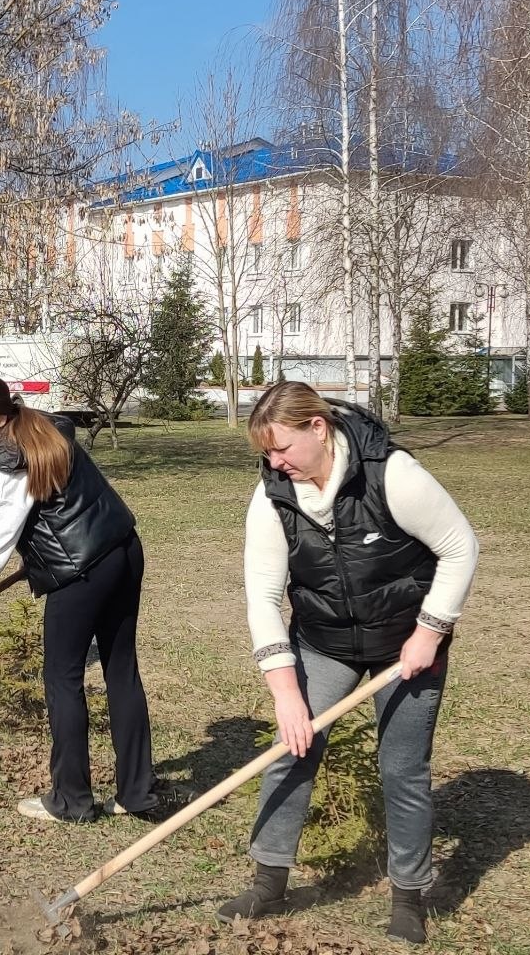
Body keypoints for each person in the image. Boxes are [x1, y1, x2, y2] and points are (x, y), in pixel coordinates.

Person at [219, 382, 479, 946]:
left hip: (406, 641)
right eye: (265, 453)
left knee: (401, 768)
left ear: (318, 427)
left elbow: (460, 546)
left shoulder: (392, 474)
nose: (275, 462)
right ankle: (269, 881)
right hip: (323, 639)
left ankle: (409, 894)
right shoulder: (273, 496)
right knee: (290, 751)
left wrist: (429, 632)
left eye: (282, 448)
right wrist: (288, 696)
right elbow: (262, 596)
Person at [0, 372, 167, 824]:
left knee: (62, 680)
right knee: (121, 671)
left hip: (82, 573)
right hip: (123, 551)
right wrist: (36, 557)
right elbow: (63, 508)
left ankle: (71, 800)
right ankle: (138, 793)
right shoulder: (46, 428)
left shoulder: (12, 465)